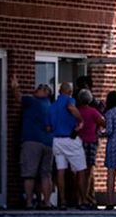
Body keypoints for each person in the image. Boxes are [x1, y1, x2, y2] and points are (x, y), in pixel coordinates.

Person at [50, 82, 86, 210]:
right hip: (70, 139)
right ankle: (82, 201)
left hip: (56, 140)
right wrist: (81, 120)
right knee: (81, 170)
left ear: (59, 91)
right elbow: (71, 107)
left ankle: (63, 201)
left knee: (61, 171)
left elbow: (48, 126)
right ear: (70, 91)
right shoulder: (70, 100)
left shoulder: (52, 105)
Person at [19, 83, 53, 209]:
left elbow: (18, 97)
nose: (36, 89)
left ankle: (29, 202)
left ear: (45, 92)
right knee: (46, 174)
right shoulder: (51, 106)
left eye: (39, 88)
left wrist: (15, 86)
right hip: (49, 143)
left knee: (29, 174)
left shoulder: (32, 101)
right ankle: (47, 202)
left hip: (32, 141)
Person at [76, 89, 105, 209]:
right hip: (91, 143)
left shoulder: (76, 111)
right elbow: (104, 123)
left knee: (79, 172)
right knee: (88, 172)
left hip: (77, 142)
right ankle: (86, 197)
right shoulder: (93, 112)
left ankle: (79, 199)